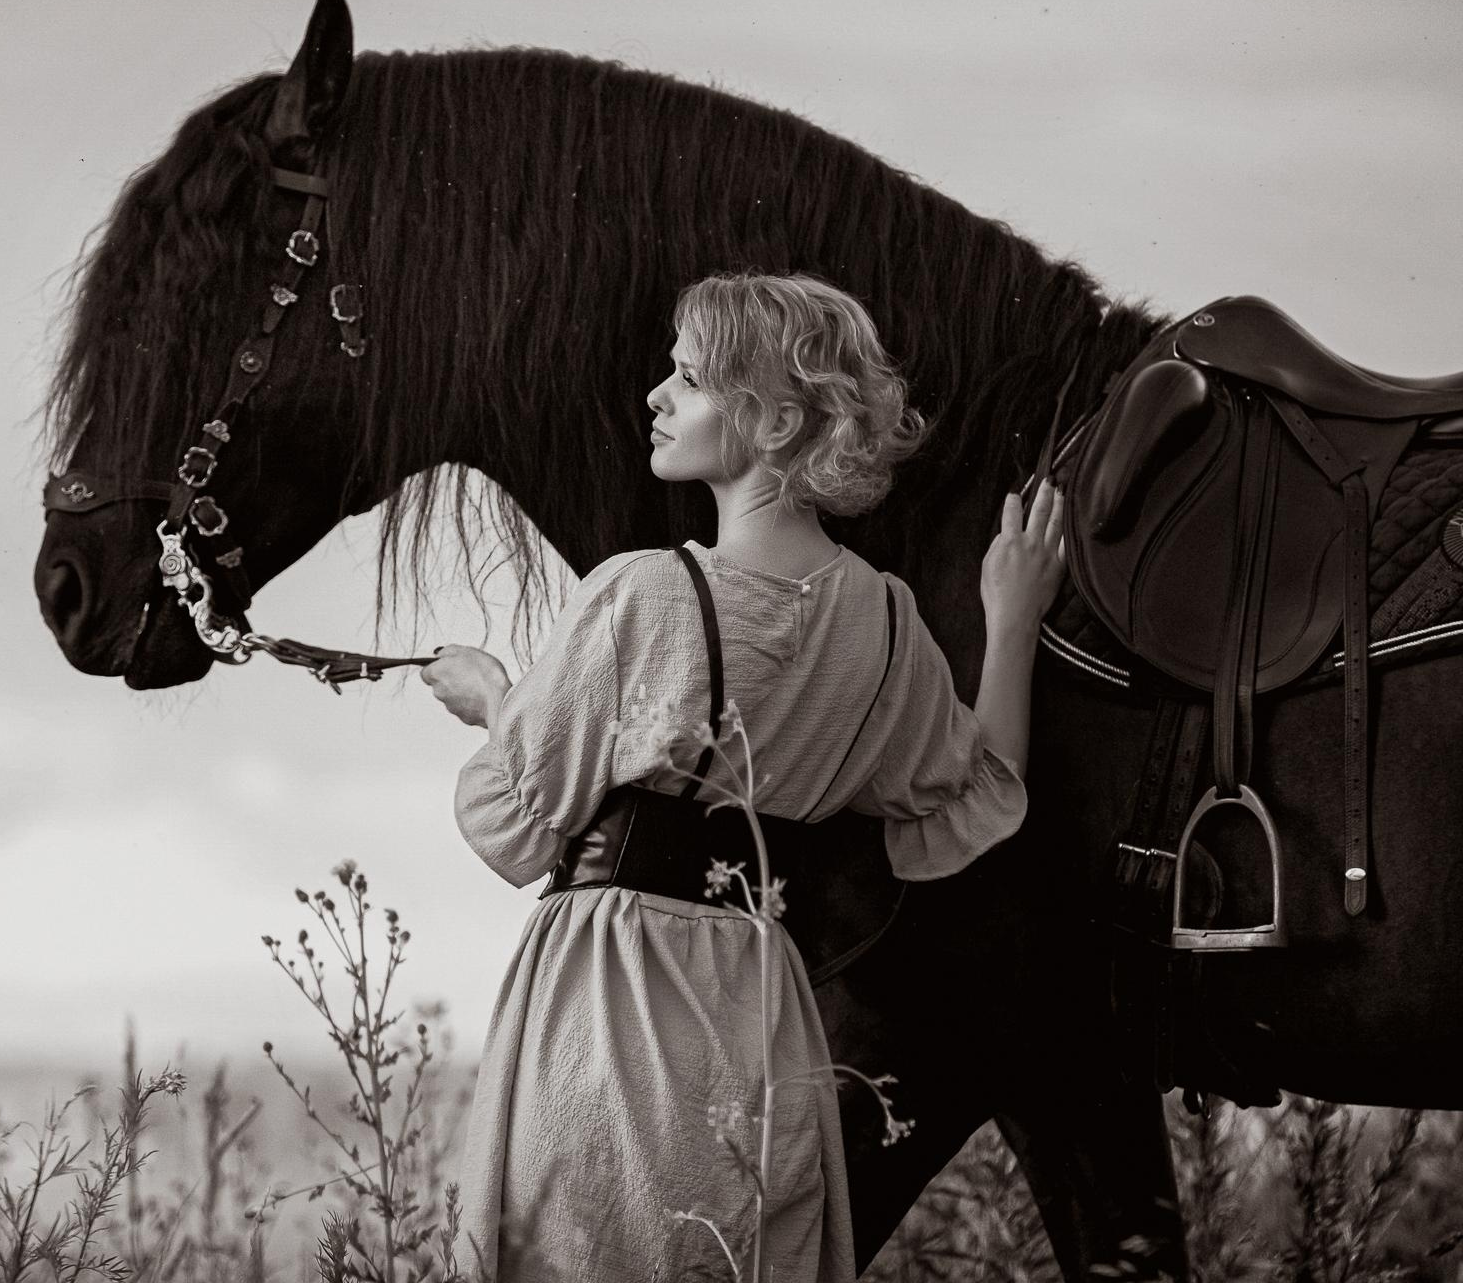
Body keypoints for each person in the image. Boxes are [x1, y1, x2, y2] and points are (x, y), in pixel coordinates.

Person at [420, 271, 1067, 1282]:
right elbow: (982, 787)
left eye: (688, 379)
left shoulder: (640, 595)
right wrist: (1013, 619)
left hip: (611, 1000)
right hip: (761, 1006)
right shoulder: (885, 623)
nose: (656, 396)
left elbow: (521, 818)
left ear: (772, 421)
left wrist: (492, 695)